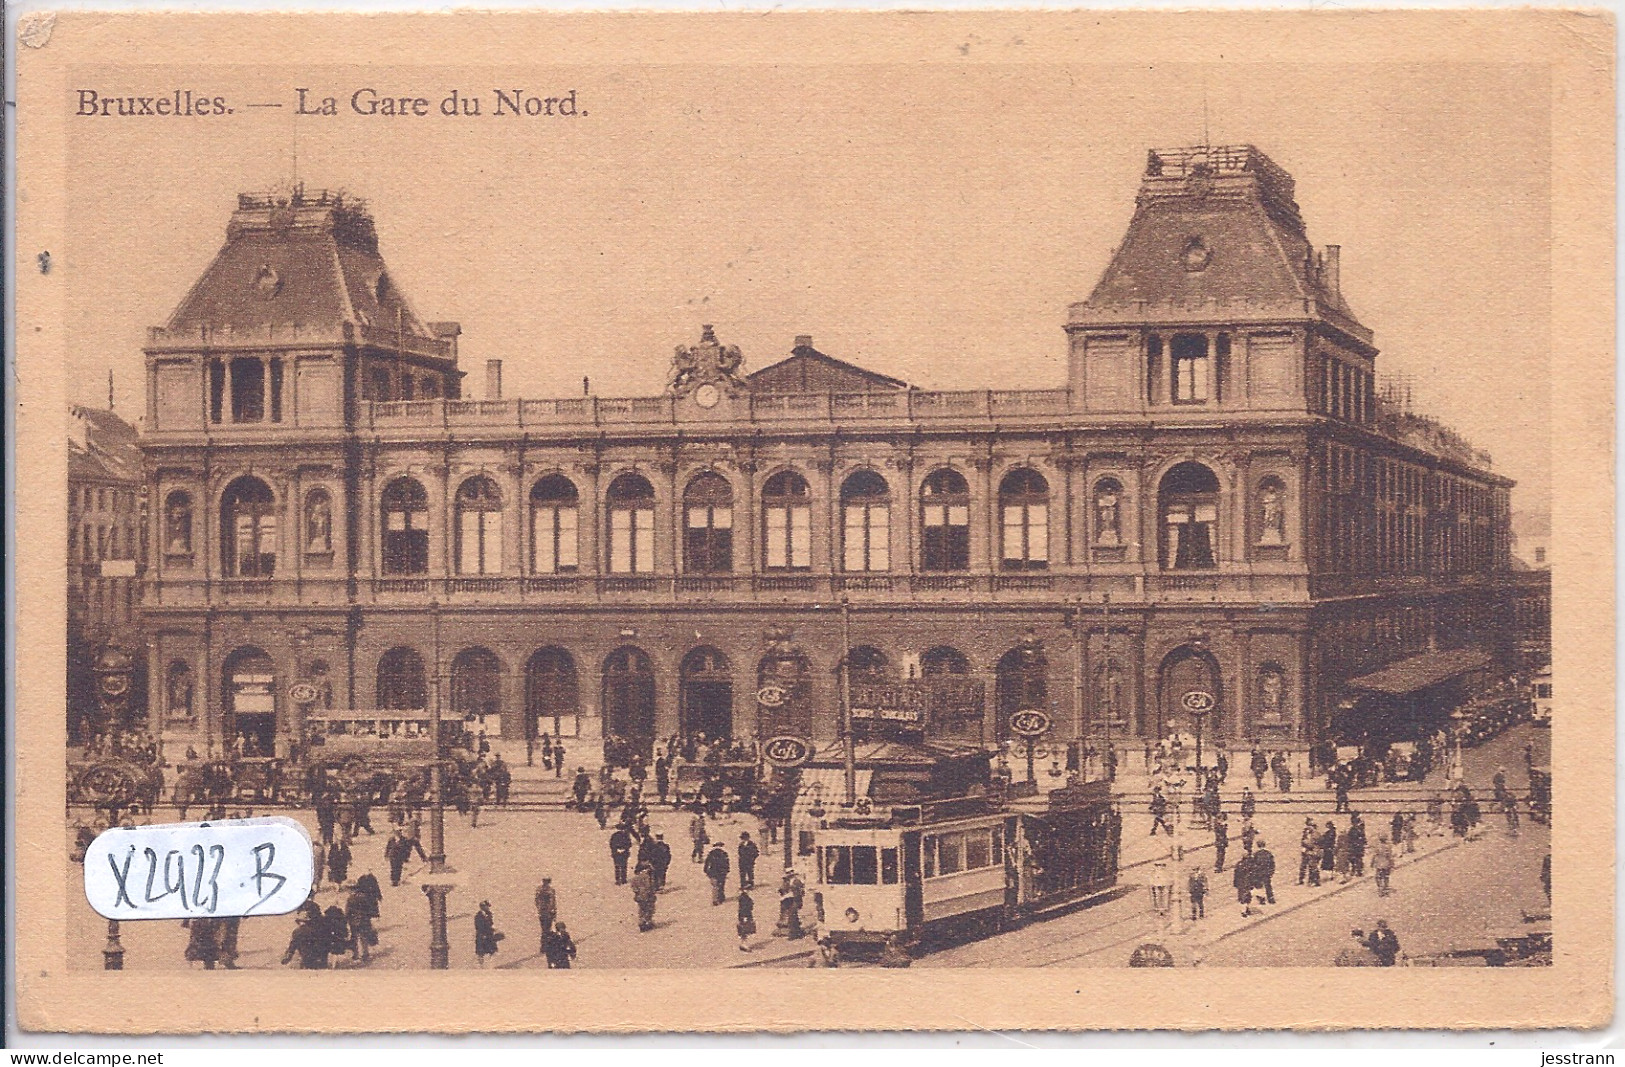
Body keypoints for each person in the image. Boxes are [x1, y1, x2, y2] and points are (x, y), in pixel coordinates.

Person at [282, 902, 332, 969]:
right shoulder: (325, 928)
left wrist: (288, 956)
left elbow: (291, 948)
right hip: (320, 962)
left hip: (308, 962)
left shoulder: (299, 931)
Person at [346, 874, 381, 962]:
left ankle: (357, 954)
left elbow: (348, 910)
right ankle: (365, 953)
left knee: (355, 938)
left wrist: (346, 918)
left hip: (354, 921)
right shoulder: (364, 897)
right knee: (363, 937)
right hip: (364, 920)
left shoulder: (351, 899)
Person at [631, 861, 658, 932]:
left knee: (642, 909)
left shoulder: (635, 878)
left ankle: (642, 921)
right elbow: (650, 886)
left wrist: (637, 893)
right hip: (648, 895)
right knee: (649, 909)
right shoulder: (647, 877)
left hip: (640, 896)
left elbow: (634, 887)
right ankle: (647, 922)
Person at [474, 900, 502, 967]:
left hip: (489, 935)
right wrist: (483, 934)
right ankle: (481, 966)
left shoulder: (489, 914)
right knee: (481, 952)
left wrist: (494, 929)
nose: (488, 908)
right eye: (487, 906)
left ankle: (490, 965)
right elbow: (478, 926)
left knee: (493, 950)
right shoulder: (478, 916)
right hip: (482, 935)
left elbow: (490, 924)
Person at [704, 841, 731, 905]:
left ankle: (715, 899)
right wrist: (727, 870)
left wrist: (706, 871)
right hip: (721, 872)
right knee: (721, 885)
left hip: (713, 872)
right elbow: (726, 863)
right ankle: (720, 897)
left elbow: (707, 863)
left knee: (715, 886)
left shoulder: (711, 854)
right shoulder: (724, 854)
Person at [535, 877, 558, 952]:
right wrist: (554, 911)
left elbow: (536, 901)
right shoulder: (551, 890)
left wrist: (539, 908)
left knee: (544, 929)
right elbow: (553, 902)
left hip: (542, 912)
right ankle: (546, 946)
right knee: (547, 928)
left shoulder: (539, 889)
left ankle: (544, 946)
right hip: (548, 912)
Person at [1232, 851, 1256, 917]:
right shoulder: (1249, 865)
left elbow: (1236, 874)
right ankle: (1245, 910)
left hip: (1240, 883)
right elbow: (1252, 875)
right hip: (1247, 883)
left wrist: (1235, 883)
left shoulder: (1238, 864)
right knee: (1247, 897)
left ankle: (1245, 910)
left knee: (1242, 897)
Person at [1252, 839, 1276, 905]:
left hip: (1259, 873)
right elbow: (1272, 864)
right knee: (1268, 886)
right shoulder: (1268, 853)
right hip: (1267, 873)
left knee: (1259, 886)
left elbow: (1253, 865)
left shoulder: (1256, 854)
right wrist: (1271, 872)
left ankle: (1262, 900)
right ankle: (1271, 899)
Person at [1371, 832, 1396, 896]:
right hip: (1386, 864)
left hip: (1379, 864)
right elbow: (1390, 856)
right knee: (1386, 877)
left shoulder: (1378, 847)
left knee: (1378, 877)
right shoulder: (1388, 847)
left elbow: (1374, 855)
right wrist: (1392, 864)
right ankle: (1385, 888)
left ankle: (1380, 888)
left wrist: (1372, 862)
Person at [1298, 817, 1320, 885]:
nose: (1308, 828)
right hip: (1306, 851)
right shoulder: (1305, 832)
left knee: (1313, 867)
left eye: (1310, 826)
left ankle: (1315, 881)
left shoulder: (1316, 834)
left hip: (1312, 851)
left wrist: (1306, 843)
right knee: (1303, 866)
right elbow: (1303, 841)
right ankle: (1301, 879)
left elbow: (1314, 843)